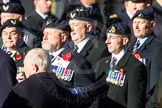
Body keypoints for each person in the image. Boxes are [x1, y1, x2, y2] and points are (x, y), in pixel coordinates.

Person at [95, 23, 147, 108]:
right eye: (107, 37)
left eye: (112, 37)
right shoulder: (102, 62)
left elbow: (135, 103)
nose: (107, 41)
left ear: (125, 40)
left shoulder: (135, 66)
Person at [2, 48, 68, 108]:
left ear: (34, 67)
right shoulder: (62, 87)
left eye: (25, 65)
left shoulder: (22, 89)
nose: (24, 69)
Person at [128, 8, 162, 101]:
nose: (136, 27)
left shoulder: (158, 47)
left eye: (141, 22)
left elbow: (155, 84)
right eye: (135, 22)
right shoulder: (130, 43)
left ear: (152, 24)